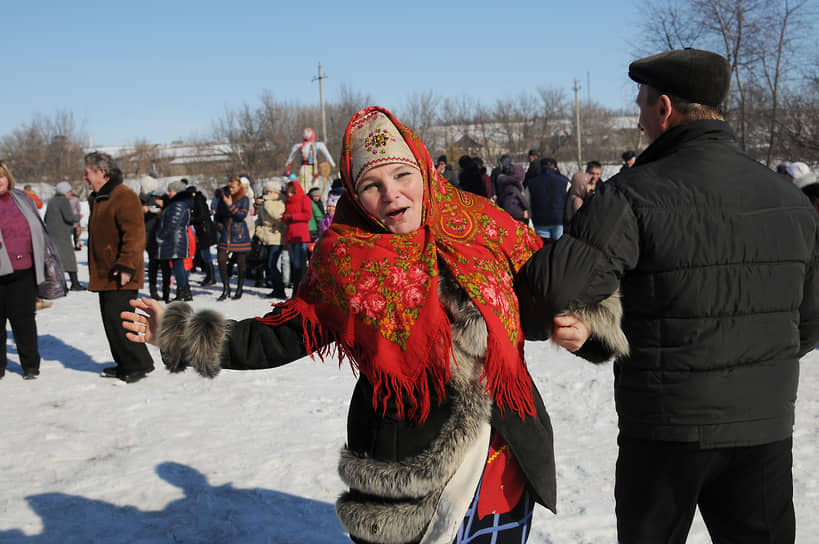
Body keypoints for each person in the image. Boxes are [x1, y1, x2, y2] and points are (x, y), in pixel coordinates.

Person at [122, 105, 627, 544]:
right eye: (372, 185)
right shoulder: (343, 258)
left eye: (403, 175)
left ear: (425, 170)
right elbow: (278, 335)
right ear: (355, 192)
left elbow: (547, 293)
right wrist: (180, 330)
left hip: (505, 454)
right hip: (410, 462)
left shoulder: (481, 224)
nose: (392, 194)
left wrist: (583, 329)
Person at [517, 48, 819, 543]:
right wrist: (760, 364)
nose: (639, 123)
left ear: (664, 108)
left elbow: (558, 287)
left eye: (640, 108)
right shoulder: (789, 198)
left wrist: (598, 333)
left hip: (665, 428)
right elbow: (809, 320)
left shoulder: (631, 194)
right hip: (762, 427)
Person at [84, 152, 154, 383]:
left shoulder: (123, 196)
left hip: (122, 271)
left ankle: (139, 363)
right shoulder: (101, 196)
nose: (85, 178)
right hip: (107, 272)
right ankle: (125, 362)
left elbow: (134, 234)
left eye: (88, 173)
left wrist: (125, 265)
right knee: (111, 321)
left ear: (101, 172)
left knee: (122, 319)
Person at [1, 161, 53, 379]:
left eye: (1, 176)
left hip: (25, 270)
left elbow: (39, 229)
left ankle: (31, 365)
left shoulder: (21, 199)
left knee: (24, 320)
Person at [213, 176, 251, 301]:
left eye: (233, 187)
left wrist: (230, 205)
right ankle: (226, 288)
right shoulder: (222, 197)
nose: (231, 189)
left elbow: (241, 215)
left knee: (241, 262)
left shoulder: (244, 198)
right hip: (226, 232)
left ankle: (239, 289)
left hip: (239, 231)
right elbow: (217, 215)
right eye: (229, 187)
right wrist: (219, 225)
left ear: (239, 187)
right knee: (221, 259)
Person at [156, 180, 193, 302]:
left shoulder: (178, 204)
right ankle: (185, 292)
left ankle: (183, 291)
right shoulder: (180, 203)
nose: (168, 193)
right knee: (179, 266)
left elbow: (172, 223)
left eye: (170, 190)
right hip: (177, 238)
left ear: (176, 191)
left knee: (178, 266)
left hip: (175, 239)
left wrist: (161, 235)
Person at [45, 181, 84, 291]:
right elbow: (69, 217)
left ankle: (61, 284)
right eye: (69, 191)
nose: (70, 193)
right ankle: (74, 283)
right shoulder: (64, 201)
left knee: (56, 260)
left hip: (52, 234)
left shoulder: (51, 201)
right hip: (63, 234)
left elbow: (45, 218)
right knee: (69, 259)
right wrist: (78, 217)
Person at [254, 179, 287, 300]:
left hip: (277, 237)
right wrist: (258, 229)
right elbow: (260, 218)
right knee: (269, 265)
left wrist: (267, 204)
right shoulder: (265, 202)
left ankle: (280, 289)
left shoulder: (279, 202)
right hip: (266, 236)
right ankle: (276, 288)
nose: (267, 193)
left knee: (273, 264)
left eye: (270, 191)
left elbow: (276, 216)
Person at [526, 158, 569, 241]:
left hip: (540, 221)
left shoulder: (531, 183)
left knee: (543, 248)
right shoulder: (564, 181)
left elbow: (527, 202)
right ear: (554, 167)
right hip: (558, 220)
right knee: (558, 247)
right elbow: (569, 201)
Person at [282, 177, 312, 294]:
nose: (289, 194)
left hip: (301, 236)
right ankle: (297, 289)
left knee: (299, 264)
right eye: (288, 192)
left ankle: (298, 291)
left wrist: (292, 217)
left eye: (291, 191)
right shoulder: (288, 202)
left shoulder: (304, 199)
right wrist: (285, 218)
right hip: (290, 236)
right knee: (293, 263)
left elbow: (307, 215)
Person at [186, 182, 218, 287]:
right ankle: (209, 276)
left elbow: (202, 217)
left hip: (205, 231)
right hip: (204, 231)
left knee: (206, 255)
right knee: (205, 255)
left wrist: (190, 220)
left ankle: (211, 277)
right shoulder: (199, 201)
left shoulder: (198, 202)